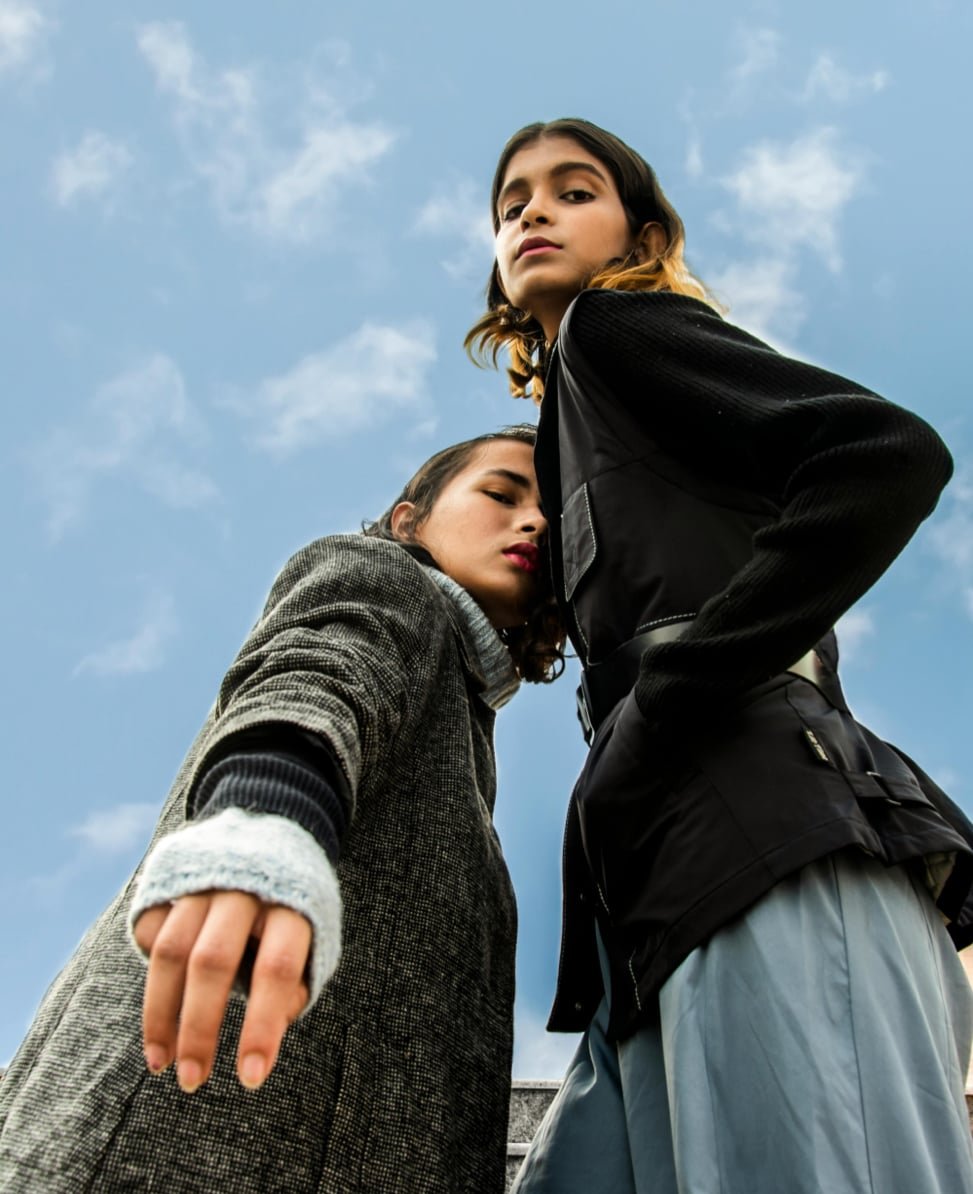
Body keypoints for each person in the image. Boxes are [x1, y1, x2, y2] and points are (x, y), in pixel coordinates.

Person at [466, 118, 973, 1194]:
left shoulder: (612, 326)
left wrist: (671, 691)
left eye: (572, 191)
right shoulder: (576, 421)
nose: (534, 212)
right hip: (655, 891)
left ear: (641, 235)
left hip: (766, 840)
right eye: (512, 205)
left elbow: (885, 456)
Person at [0, 426, 563, 1194]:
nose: (533, 521)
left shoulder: (465, 728)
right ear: (408, 521)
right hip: (194, 1127)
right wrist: (265, 820)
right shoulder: (385, 577)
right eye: (500, 493)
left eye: (552, 513)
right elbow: (322, 668)